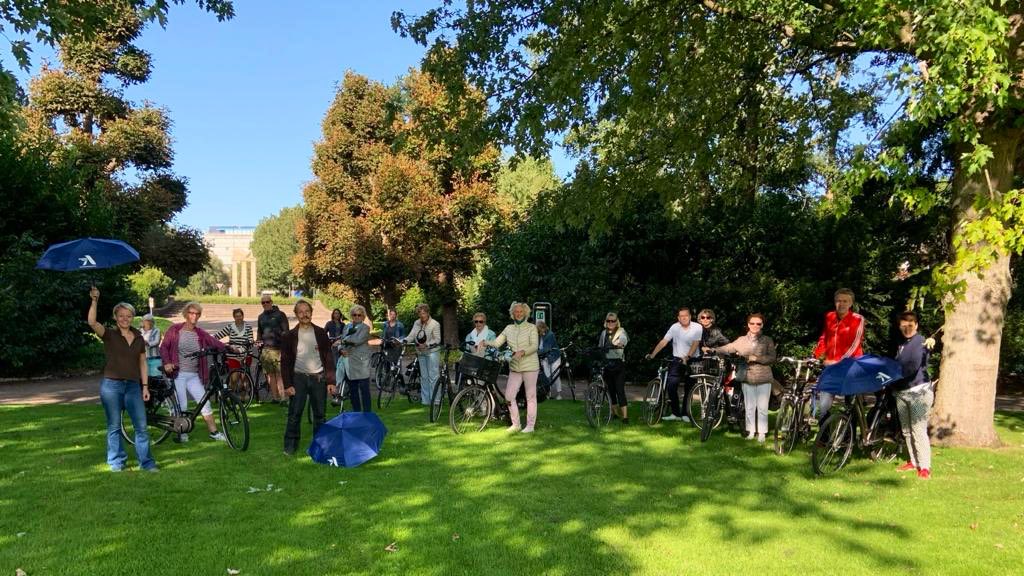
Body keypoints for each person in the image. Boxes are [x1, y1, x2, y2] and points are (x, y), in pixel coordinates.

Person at [87, 287, 157, 472]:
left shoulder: (139, 338)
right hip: (112, 386)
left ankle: (147, 463)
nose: (125, 319)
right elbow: (92, 322)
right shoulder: (109, 335)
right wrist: (94, 300)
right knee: (114, 426)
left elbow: (143, 363)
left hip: (134, 386)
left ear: (133, 317)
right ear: (116, 318)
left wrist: (145, 387)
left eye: (128, 315)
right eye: (121, 315)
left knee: (141, 426)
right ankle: (117, 462)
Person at [159, 302, 228, 443]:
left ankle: (214, 433)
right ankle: (182, 433)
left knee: (205, 403)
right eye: (191, 313)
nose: (194, 316)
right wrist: (167, 363)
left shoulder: (200, 333)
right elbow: (164, 347)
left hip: (193, 375)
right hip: (178, 374)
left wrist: (230, 348)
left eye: (197, 314)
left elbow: (215, 342)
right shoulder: (175, 330)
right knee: (182, 406)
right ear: (186, 314)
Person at [280, 300, 337, 455]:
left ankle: (320, 446)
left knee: (320, 415)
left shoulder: (320, 333)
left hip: (318, 378)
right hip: (298, 379)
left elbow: (328, 358)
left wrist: (331, 381)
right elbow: (284, 363)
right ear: (296, 314)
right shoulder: (289, 336)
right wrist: (288, 385)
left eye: (307, 311)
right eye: (301, 312)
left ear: (311, 312)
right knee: (294, 414)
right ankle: (290, 446)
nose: (305, 314)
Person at [713, 313, 777, 443]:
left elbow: (772, 358)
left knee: (762, 408)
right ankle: (751, 431)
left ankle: (762, 433)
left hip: (764, 377)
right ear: (748, 325)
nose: (755, 326)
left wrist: (757, 358)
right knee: (749, 407)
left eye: (758, 323)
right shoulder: (741, 340)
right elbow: (728, 348)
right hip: (747, 376)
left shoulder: (767, 340)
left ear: (762, 325)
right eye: (752, 323)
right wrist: (712, 350)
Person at [480, 302, 540, 433]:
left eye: (521, 312)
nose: (518, 314)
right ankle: (516, 424)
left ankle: (530, 426)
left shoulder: (531, 328)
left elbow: (535, 346)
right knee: (509, 396)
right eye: (516, 312)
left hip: (530, 366)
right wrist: (485, 342)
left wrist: (522, 352)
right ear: (512, 314)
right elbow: (497, 342)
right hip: (515, 367)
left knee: (530, 396)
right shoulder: (508, 328)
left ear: (525, 313)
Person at [892, 311, 933, 479]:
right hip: (902, 392)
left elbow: (914, 366)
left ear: (916, 325)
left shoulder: (921, 342)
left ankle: (924, 467)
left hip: (919, 392)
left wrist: (894, 378)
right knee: (907, 430)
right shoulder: (901, 343)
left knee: (918, 430)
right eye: (903, 325)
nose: (907, 328)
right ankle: (913, 462)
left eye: (910, 325)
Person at [812, 288, 866, 418]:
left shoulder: (857, 319)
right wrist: (815, 355)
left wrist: (839, 360)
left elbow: (855, 343)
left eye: (845, 301)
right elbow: (825, 337)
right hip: (831, 366)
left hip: (851, 366)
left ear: (851, 303)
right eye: (838, 301)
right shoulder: (829, 316)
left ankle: (850, 436)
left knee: (850, 403)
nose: (841, 304)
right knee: (824, 403)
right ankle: (823, 435)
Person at [645, 308, 703, 422]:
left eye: (686, 315)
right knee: (671, 386)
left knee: (689, 388)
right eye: (681, 316)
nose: (684, 318)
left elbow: (695, 344)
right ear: (678, 318)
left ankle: (685, 413)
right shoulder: (674, 327)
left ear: (690, 316)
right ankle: (675, 413)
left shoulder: (697, 327)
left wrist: (688, 357)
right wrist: (653, 354)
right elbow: (664, 341)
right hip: (677, 359)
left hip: (693, 359)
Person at [405, 303, 441, 406]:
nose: (422, 315)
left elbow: (437, 340)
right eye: (420, 313)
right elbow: (412, 335)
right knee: (424, 377)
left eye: (424, 313)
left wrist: (427, 344)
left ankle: (436, 400)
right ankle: (426, 401)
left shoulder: (435, 324)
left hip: (432, 352)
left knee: (433, 376)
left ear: (428, 313)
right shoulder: (417, 323)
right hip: (421, 352)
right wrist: (404, 341)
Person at [214, 308, 254, 395]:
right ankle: (230, 395)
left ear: (243, 316)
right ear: (234, 317)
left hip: (246, 354)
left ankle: (243, 398)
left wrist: (244, 347)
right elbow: (217, 335)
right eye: (236, 316)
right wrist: (214, 342)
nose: (239, 318)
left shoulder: (248, 327)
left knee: (244, 377)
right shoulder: (230, 327)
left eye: (240, 316)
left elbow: (251, 341)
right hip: (233, 355)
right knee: (234, 377)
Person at [257, 295, 290, 403]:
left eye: (267, 302)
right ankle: (275, 398)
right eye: (263, 303)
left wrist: (284, 348)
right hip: (266, 350)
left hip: (278, 349)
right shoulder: (261, 317)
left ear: (271, 302)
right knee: (270, 375)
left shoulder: (280, 315)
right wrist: (258, 341)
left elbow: (286, 331)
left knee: (280, 374)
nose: (265, 304)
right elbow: (259, 332)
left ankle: (283, 397)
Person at [340, 305, 373, 412]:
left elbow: (357, 340)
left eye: (359, 315)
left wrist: (343, 342)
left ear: (363, 317)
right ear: (351, 316)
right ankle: (356, 412)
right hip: (349, 362)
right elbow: (341, 341)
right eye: (354, 315)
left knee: (364, 389)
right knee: (353, 390)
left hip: (361, 362)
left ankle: (367, 413)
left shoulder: (365, 328)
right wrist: (341, 350)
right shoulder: (347, 327)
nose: (357, 317)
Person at [599, 313, 629, 422]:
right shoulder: (603, 333)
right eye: (608, 321)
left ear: (617, 321)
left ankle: (625, 417)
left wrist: (620, 344)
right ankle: (615, 414)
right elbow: (600, 347)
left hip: (618, 365)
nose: (611, 323)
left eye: (613, 321)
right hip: (607, 364)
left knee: (620, 390)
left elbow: (624, 340)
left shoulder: (621, 331)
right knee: (611, 390)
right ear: (606, 322)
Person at [537, 320, 563, 400]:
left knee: (555, 375)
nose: (538, 332)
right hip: (545, 358)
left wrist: (535, 352)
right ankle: (548, 393)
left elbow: (546, 349)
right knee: (546, 376)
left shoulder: (550, 335)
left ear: (543, 328)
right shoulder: (539, 335)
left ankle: (559, 394)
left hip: (554, 357)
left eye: (538, 330)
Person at [325, 308, 347, 390]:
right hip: (333, 345)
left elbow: (345, 335)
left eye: (338, 313)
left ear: (340, 315)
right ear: (333, 314)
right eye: (335, 313)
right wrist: (329, 341)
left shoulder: (343, 325)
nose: (336, 315)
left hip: (341, 344)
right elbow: (324, 333)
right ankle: (333, 380)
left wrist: (341, 340)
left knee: (340, 363)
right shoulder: (329, 323)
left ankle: (340, 380)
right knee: (334, 362)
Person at [140, 313, 162, 378]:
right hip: (143, 359)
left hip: (154, 357)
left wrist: (148, 343)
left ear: (152, 322)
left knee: (156, 377)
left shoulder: (156, 330)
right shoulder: (139, 331)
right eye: (146, 321)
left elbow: (157, 341)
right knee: (145, 377)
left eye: (149, 321)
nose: (148, 323)